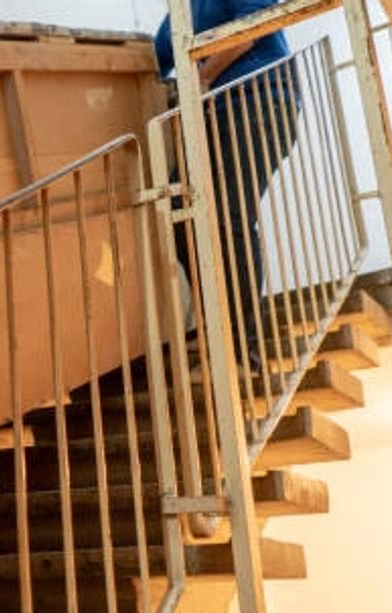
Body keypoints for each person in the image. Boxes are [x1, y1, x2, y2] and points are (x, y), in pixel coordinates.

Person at [154, 0, 299, 359]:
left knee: (228, 215)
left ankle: (239, 344)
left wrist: (202, 78)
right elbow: (156, 56)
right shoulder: (181, 10)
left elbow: (249, 30)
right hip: (215, 113)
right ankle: (218, 325)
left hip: (261, 100)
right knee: (178, 208)